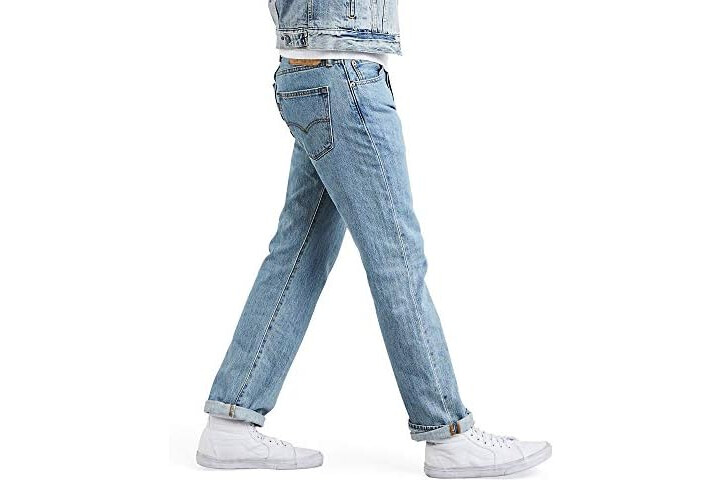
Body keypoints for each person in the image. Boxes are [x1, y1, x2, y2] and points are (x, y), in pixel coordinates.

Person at [196, 1, 551, 477]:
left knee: (299, 254)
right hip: (343, 73)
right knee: (396, 257)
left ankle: (230, 422)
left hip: (312, 70)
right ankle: (447, 433)